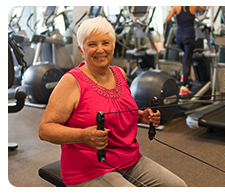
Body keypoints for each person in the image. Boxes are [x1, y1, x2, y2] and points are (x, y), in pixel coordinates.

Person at [38, 17, 186, 187]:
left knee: (178, 186)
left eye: (105, 43)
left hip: (130, 160)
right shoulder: (71, 82)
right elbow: (45, 130)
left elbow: (115, 111)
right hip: (88, 170)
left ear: (113, 46)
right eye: (92, 44)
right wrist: (83, 135)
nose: (100, 50)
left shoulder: (119, 74)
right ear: (81, 49)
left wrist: (141, 116)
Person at [165, 6, 205, 95]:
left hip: (179, 37)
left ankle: (185, 77)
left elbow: (166, 20)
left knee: (186, 57)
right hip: (189, 36)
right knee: (187, 61)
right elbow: (203, 9)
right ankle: (183, 87)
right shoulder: (193, 5)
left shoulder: (176, 6)